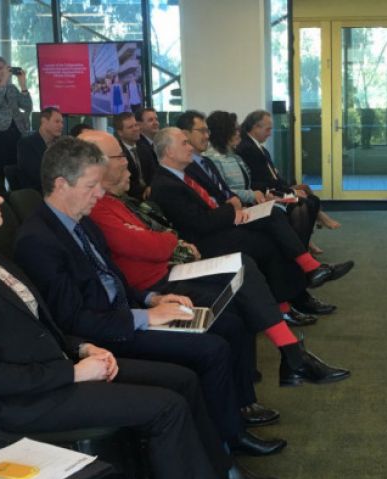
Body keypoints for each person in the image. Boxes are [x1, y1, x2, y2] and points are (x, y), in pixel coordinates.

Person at [0, 157, 283, 479]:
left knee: (182, 381)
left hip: (58, 366)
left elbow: (42, 325)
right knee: (168, 406)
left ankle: (223, 473)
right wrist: (76, 370)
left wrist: (82, 348)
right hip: (27, 400)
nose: (0, 197)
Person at [13, 136, 286, 457]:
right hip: (106, 336)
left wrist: (152, 300)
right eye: (91, 186)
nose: (100, 193)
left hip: (124, 313)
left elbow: (113, 280)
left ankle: (230, 424)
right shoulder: (38, 240)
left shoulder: (78, 221)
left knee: (225, 324)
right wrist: (144, 317)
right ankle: (229, 441)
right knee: (212, 349)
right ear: (61, 184)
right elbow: (73, 319)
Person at [85, 129, 350, 389]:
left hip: (174, 261)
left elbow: (160, 234)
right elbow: (158, 240)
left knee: (258, 248)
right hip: (166, 272)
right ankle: (292, 347)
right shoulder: (108, 203)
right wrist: (171, 240)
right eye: (120, 157)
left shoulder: (116, 201)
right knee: (247, 263)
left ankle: (290, 348)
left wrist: (168, 238)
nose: (128, 163)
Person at [150, 128, 353, 305]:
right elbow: (199, 223)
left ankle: (304, 278)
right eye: (184, 143)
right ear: (169, 151)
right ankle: (299, 285)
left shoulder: (183, 175)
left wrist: (233, 210)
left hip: (219, 225)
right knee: (268, 241)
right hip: (204, 242)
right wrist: (232, 212)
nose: (189, 147)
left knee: (272, 217)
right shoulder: (166, 184)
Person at [205, 111, 337, 316]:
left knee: (283, 222)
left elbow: (248, 185)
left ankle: (296, 291)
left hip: (246, 206)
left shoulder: (232, 155)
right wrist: (259, 194)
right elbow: (227, 192)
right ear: (225, 132)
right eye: (235, 128)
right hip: (235, 214)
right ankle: (304, 276)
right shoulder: (214, 159)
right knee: (279, 225)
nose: (239, 131)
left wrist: (266, 195)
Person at [235, 110, 341, 241]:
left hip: (273, 189)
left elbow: (273, 176)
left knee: (306, 194)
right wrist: (290, 191)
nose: (270, 134)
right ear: (256, 127)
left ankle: (304, 245)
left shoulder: (258, 147)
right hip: (266, 194)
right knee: (303, 203)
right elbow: (262, 181)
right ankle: (302, 247)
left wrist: (290, 189)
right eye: (268, 129)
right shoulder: (248, 148)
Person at [0, 56, 32, 179]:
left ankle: (17, 196)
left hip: (16, 133)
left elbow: (27, 106)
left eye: (5, 68)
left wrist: (23, 84)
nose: (4, 71)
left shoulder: (12, 88)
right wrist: (3, 83)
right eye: (0, 68)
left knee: (17, 173)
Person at [17, 107, 64, 192]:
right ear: (44, 121)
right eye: (57, 121)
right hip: (38, 192)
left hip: (60, 189)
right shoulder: (26, 144)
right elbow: (35, 174)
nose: (61, 125)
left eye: (62, 122)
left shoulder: (61, 144)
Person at [113, 112, 156, 199]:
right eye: (130, 127)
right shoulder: (116, 152)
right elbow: (120, 180)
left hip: (151, 194)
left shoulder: (145, 148)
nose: (136, 129)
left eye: (136, 125)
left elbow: (154, 172)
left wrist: (151, 187)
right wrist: (143, 192)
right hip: (129, 198)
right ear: (120, 132)